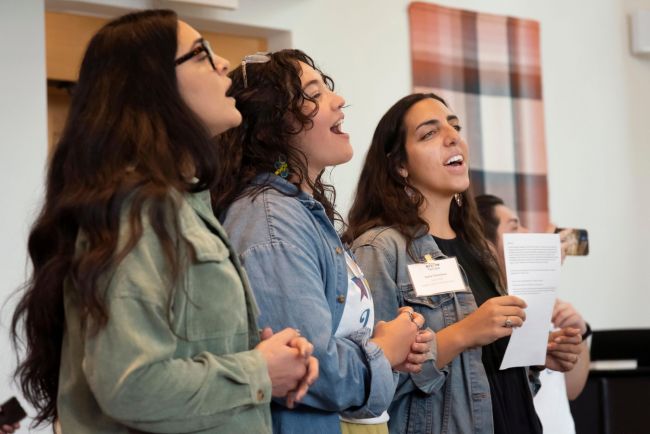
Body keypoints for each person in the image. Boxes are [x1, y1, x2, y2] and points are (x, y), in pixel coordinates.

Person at [10, 10, 317, 433]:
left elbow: (177, 353)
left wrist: (263, 357)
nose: (222, 63)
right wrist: (258, 371)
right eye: (201, 53)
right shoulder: (136, 208)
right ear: (151, 87)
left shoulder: (183, 201)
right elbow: (131, 385)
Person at [213, 50, 432, 434]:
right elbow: (307, 366)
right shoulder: (270, 220)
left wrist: (388, 338)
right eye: (313, 93)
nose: (339, 100)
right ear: (274, 124)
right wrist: (383, 351)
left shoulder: (300, 211)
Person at [344, 92, 583, 434]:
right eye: (429, 133)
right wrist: (462, 334)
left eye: (454, 126)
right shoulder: (381, 249)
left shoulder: (479, 249)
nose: (452, 136)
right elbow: (370, 383)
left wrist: (532, 358)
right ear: (400, 165)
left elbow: (482, 378)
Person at [475, 193, 590, 434]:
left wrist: (580, 331)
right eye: (515, 227)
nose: (528, 233)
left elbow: (573, 389)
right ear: (486, 247)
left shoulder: (549, 305)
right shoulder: (486, 317)